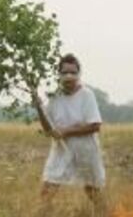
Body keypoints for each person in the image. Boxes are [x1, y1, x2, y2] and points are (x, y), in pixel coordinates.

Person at [32, 53, 105, 202]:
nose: (69, 76)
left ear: (79, 74)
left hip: (85, 150)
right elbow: (49, 130)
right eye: (65, 72)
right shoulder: (54, 97)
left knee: (92, 190)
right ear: (59, 75)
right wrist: (39, 108)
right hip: (61, 149)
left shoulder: (86, 95)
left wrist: (67, 131)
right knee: (48, 188)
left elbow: (95, 125)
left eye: (73, 72)